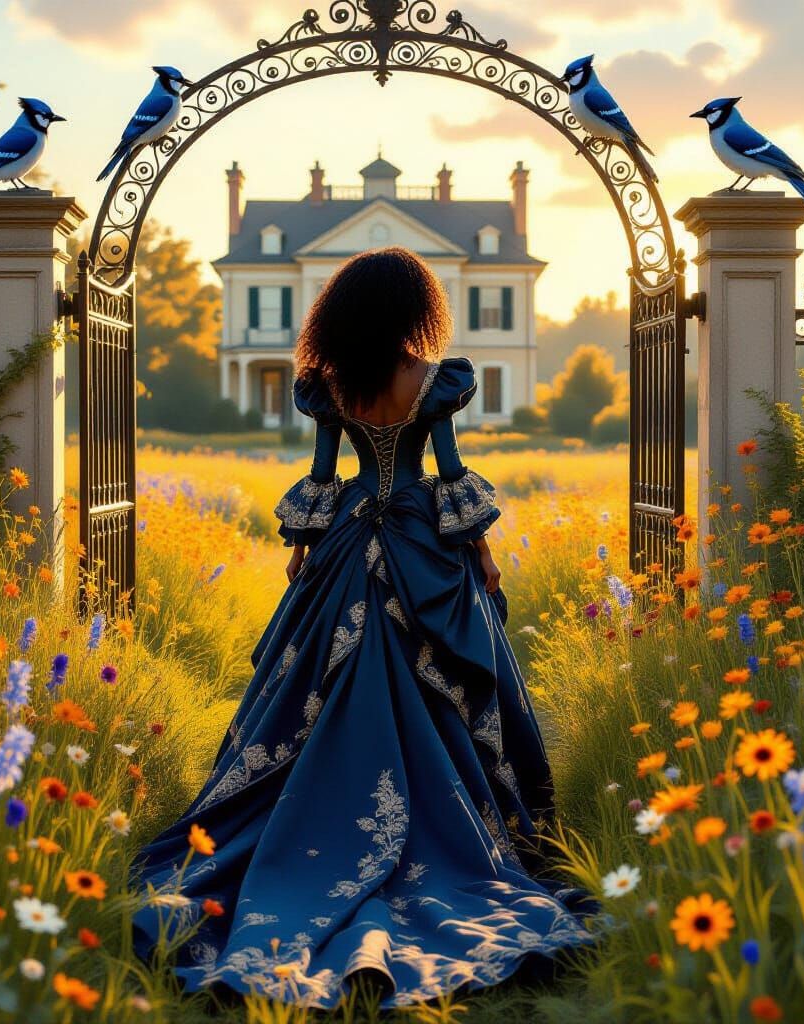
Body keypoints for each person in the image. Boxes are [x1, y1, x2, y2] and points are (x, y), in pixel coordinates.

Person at [131, 247, 593, 1009]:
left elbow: (321, 478)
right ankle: (459, 827)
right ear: (415, 309)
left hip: (348, 541)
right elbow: (446, 472)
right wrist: (480, 552)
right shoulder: (431, 380)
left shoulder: (331, 383)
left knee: (309, 682)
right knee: (446, 680)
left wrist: (307, 552)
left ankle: (308, 818)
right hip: (420, 544)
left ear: (343, 311)